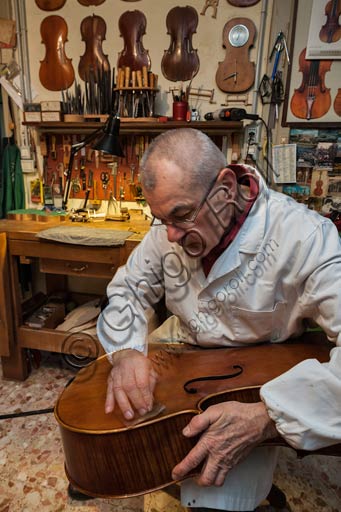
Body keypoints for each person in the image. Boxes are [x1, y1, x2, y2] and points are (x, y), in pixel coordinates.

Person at [97, 128, 341, 512]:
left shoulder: (305, 237)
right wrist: (127, 353)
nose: (172, 235)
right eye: (161, 219)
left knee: (218, 497)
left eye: (182, 215)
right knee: (144, 453)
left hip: (256, 371)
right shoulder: (170, 228)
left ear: (226, 187)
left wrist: (267, 417)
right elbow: (128, 288)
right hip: (186, 352)